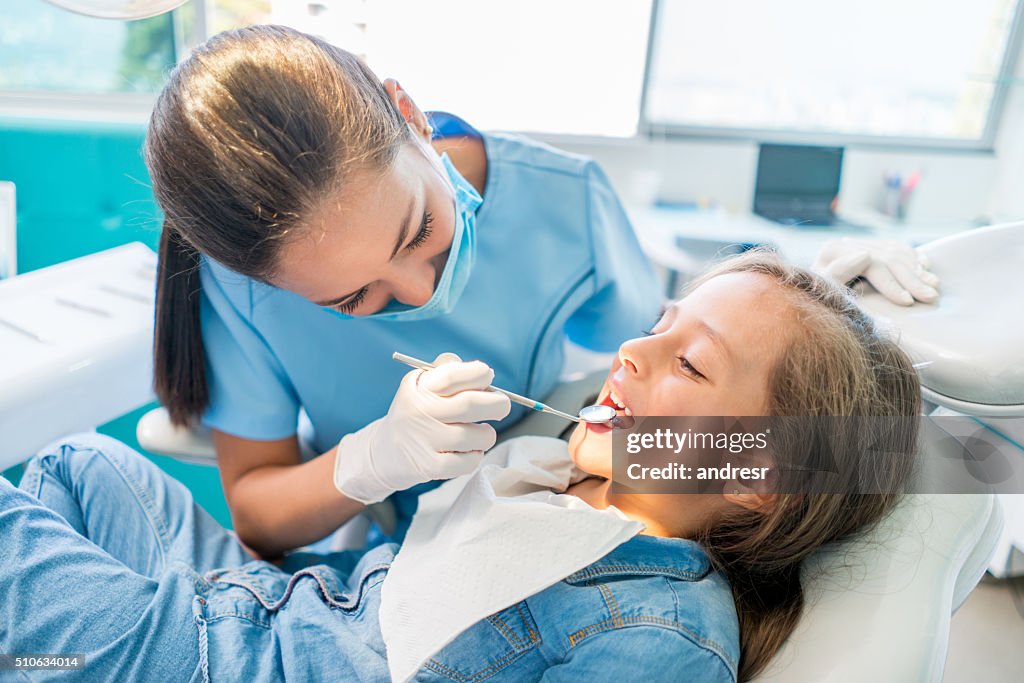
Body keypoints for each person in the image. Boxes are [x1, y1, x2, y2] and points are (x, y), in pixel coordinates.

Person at [146, 24, 935, 557]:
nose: (421, 292)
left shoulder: (564, 200)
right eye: (352, 299)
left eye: (420, 232)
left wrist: (824, 314)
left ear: (408, 113)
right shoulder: (235, 286)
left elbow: (706, 381)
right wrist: (366, 462)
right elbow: (256, 511)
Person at [1, 252, 919, 681]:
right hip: (264, 603)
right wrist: (808, 289)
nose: (633, 351)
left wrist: (837, 385)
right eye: (660, 322)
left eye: (689, 361)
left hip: (230, 662)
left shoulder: (665, 632)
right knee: (81, 465)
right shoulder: (550, 479)